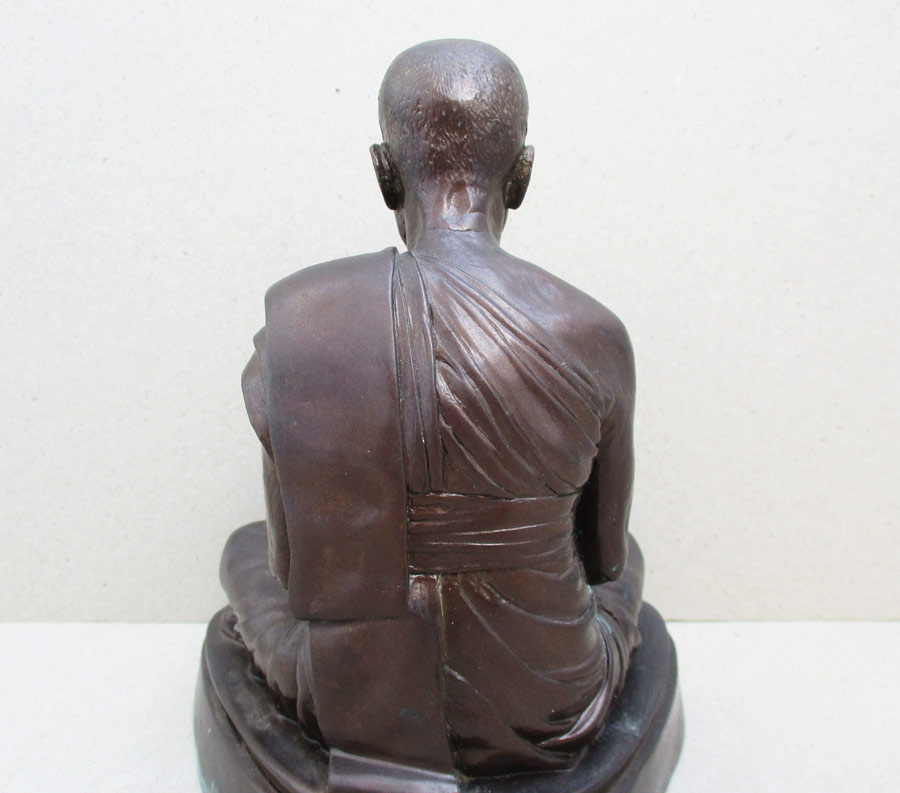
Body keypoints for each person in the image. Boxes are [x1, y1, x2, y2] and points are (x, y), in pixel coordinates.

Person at [222, 39, 645, 783]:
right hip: (551, 705)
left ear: (383, 172)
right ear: (523, 174)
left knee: (242, 551)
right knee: (630, 565)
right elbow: (604, 556)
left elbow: (292, 572)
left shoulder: (305, 326)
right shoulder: (595, 333)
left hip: (360, 703)